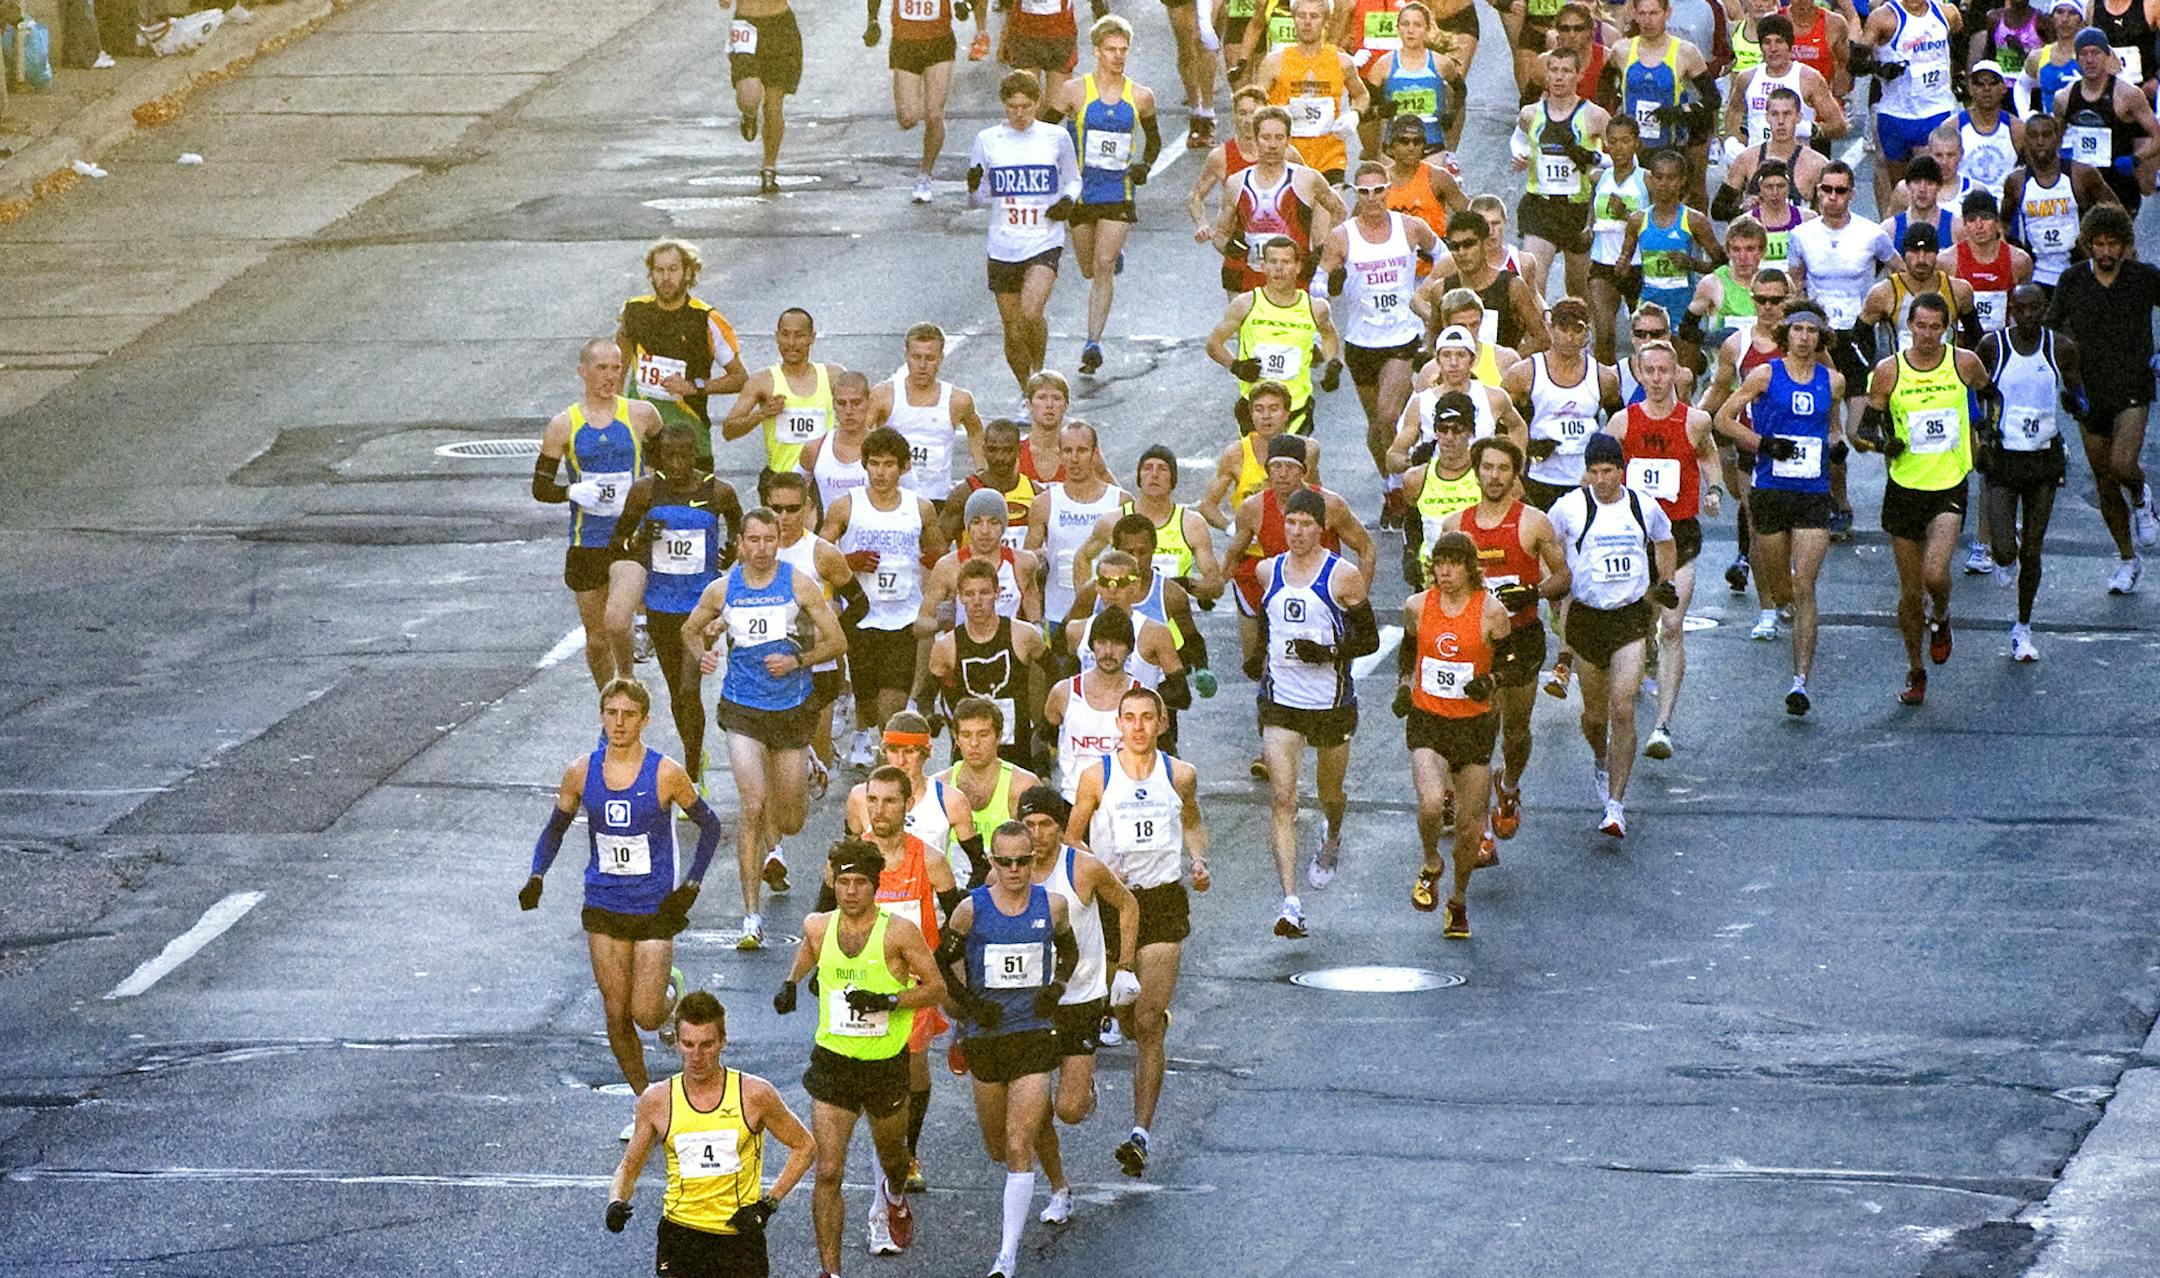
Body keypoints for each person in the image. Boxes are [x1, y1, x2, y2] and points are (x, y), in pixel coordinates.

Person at [521, 679, 727, 1136]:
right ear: (601, 716)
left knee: (647, 1015)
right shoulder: (580, 771)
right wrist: (537, 876)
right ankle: (646, 1106)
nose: (619, 722)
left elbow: (710, 828)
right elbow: (554, 829)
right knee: (615, 1014)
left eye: (628, 714)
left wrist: (690, 886)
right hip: (604, 904)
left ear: (644, 720)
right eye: (611, 713)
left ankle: (670, 993)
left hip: (654, 907)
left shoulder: (666, 773)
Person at [774, 839, 947, 1272]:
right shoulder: (817, 925)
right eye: (843, 882)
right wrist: (792, 983)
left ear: (875, 886)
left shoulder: (898, 933)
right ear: (834, 882)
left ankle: (893, 1195)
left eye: (860, 883)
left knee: (894, 1160)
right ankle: (829, 1270)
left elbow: (936, 988)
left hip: (885, 1066)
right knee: (829, 1170)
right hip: (833, 1064)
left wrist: (888, 1001)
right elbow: (810, 950)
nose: (850, 892)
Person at [682, 508, 849, 950]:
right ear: (740, 542)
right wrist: (703, 654)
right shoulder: (723, 588)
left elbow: (837, 642)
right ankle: (750, 917)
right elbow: (689, 630)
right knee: (752, 806)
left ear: (779, 541)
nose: (760, 549)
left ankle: (801, 765)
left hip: (791, 709)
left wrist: (797, 661)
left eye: (768, 540)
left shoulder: (798, 583)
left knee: (791, 821)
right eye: (752, 540)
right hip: (742, 709)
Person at [1063, 684, 1206, 1180]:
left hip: (1163, 900)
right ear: (1118, 724)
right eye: (1131, 718)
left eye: (1148, 717)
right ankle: (1106, 1056)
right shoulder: (1096, 776)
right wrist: (1097, 875)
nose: (1139, 726)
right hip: (1112, 904)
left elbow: (1191, 820)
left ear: (1161, 723)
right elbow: (1072, 837)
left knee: (1147, 1021)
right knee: (1123, 1011)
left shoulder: (1180, 774)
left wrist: (1200, 859)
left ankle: (1140, 1133)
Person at [936, 822, 1080, 1278]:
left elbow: (1070, 953)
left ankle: (1006, 1257)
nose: (1016, 870)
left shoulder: (1052, 906)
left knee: (1020, 1142)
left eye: (1025, 861)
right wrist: (972, 1004)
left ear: (1035, 862)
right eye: (1006, 862)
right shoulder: (969, 911)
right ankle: (1058, 1182)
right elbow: (943, 961)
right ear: (992, 863)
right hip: (986, 1037)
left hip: (1034, 1034)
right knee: (1000, 1145)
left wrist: (1054, 990)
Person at [606, 991, 816, 1276]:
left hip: (738, 1236)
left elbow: (805, 1146)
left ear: (723, 1041)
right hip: (681, 1234)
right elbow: (629, 1167)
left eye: (707, 1045)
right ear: (676, 1042)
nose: (697, 1056)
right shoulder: (657, 1100)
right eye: (688, 1044)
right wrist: (616, 1201)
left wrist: (768, 1204)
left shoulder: (754, 1094)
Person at [1853, 292, 1996, 705]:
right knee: (1911, 592)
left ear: (1946, 329)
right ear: (1908, 327)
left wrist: (1986, 436)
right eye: (1921, 326)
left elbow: (1991, 398)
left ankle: (1944, 615)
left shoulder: (1964, 362)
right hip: (1904, 487)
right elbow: (1865, 429)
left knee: (1936, 575)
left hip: (1949, 482)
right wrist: (1885, 446)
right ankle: (1915, 669)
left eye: (1936, 327)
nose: (1928, 335)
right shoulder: (1888, 371)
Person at [1251, 488, 1379, 938]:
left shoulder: (1342, 576)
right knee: (1283, 799)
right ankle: (1290, 903)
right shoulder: (1268, 570)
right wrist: (1260, 659)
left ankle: (1332, 836)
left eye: (1306, 523)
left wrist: (1326, 652)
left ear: (1321, 527)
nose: (1297, 531)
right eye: (1290, 523)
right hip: (1281, 703)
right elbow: (1267, 623)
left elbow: (1369, 641)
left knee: (1330, 790)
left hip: (1329, 704)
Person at [838, 756, 968, 1191]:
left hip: (912, 987)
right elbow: (823, 917)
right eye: (871, 800)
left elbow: (959, 918)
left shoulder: (929, 861)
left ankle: (908, 1153)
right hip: (858, 985)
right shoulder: (849, 861)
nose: (878, 810)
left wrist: (943, 958)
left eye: (889, 801)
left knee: (912, 1066)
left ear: (907, 804)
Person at [1217, 437, 1378, 768]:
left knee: (1327, 668)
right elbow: (1233, 552)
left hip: (1325, 602)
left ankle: (1325, 732)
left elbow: (1366, 547)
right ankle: (1273, 747)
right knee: (1263, 662)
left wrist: (1355, 599)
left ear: (1304, 471)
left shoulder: (1328, 505)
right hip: (1277, 598)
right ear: (1267, 470)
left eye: (1290, 467)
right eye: (1276, 466)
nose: (1282, 474)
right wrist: (1214, 584)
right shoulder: (1253, 508)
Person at [1714, 303, 1843, 714]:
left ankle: (1800, 681)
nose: (1804, 337)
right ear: (1786, 334)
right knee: (1780, 586)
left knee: (1804, 586)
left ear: (1822, 337)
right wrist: (1763, 445)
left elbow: (1835, 425)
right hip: (1770, 489)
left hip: (1812, 492)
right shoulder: (1765, 375)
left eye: (1812, 331)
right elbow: (1723, 418)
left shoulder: (1833, 381)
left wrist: (1837, 443)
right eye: (1798, 330)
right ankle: (1779, 595)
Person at [1441, 437, 1570, 845]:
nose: (1493, 476)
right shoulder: (1455, 526)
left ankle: (1509, 785)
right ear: (1475, 471)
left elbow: (1563, 577)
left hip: (1521, 640)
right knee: (1475, 733)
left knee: (1514, 731)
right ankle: (1475, 827)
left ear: (1516, 475)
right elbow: (1438, 586)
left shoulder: (1532, 522)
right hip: (1473, 643)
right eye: (1487, 468)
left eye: (1502, 469)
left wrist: (1533, 593)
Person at [1547, 434, 1676, 836]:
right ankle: (1601, 758)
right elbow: (1545, 547)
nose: (1601, 480)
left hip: (1629, 618)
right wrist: (1555, 590)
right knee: (1594, 715)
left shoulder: (1642, 505)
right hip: (1587, 618)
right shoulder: (1570, 508)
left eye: (1608, 471)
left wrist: (1665, 581)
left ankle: (1616, 806)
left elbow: (1665, 540)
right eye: (1594, 472)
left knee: (1622, 707)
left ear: (1621, 470)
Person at [609, 424, 744, 792]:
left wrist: (730, 552)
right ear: (660, 457)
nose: (678, 463)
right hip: (661, 603)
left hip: (700, 606)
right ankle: (694, 750)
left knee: (689, 689)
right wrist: (638, 540)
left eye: (684, 455)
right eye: (669, 456)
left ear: (695, 454)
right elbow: (618, 542)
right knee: (674, 692)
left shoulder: (718, 491)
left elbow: (739, 526)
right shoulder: (645, 492)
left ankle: (691, 773)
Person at [1394, 531, 1513, 937]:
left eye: (1453, 564)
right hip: (1428, 720)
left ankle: (1458, 900)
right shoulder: (1417, 605)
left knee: (1468, 830)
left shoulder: (1491, 612)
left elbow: (1518, 656)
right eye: (1439, 564)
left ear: (1469, 568)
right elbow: (1409, 648)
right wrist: (1403, 685)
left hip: (1473, 727)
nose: (1444, 572)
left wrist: (1492, 680)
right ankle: (1430, 862)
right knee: (1430, 805)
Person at [1607, 341, 1719, 754]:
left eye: (1663, 371)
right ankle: (1642, 656)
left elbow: (1707, 456)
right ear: (1639, 374)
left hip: (1680, 535)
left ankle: (1663, 725)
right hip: (1633, 538)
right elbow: (1600, 474)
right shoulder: (1621, 424)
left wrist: (1715, 489)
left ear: (1676, 375)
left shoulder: (1695, 421)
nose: (1656, 379)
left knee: (1672, 626)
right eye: (1649, 371)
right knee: (1635, 627)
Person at [535, 340, 664, 690]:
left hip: (630, 537)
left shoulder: (641, 415)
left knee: (618, 621)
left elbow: (668, 461)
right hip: (587, 541)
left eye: (616, 368)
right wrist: (569, 491)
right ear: (583, 372)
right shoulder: (563, 425)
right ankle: (609, 699)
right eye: (601, 369)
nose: (609, 377)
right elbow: (540, 487)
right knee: (596, 639)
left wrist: (651, 491)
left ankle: (627, 683)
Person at [2044, 202, 2160, 591]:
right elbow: (2051, 329)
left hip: (2133, 385)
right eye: (2100, 244)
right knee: (2105, 480)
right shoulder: (2073, 281)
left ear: (2125, 245)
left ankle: (2143, 498)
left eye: (2114, 244)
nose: (2107, 252)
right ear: (2088, 244)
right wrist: (2065, 373)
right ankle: (2127, 559)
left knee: (2123, 464)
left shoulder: (2143, 278)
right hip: (2088, 392)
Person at [1320, 161, 1446, 509]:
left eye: (1379, 191)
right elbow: (1318, 282)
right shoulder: (1342, 235)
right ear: (1356, 195)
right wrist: (1328, 296)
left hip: (1402, 338)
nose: (1373, 198)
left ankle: (1398, 488)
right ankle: (1390, 485)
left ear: (1389, 191)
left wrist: (1429, 292)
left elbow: (1444, 257)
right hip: (1361, 342)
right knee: (1376, 426)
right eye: (1364, 192)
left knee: (1389, 416)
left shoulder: (1410, 227)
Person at [823, 427, 947, 768]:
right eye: (874, 463)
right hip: (861, 616)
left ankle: (886, 765)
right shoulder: (846, 507)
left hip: (903, 617)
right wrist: (849, 561)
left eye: (889, 464)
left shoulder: (919, 508)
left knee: (890, 701)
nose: (880, 472)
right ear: (864, 465)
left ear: (904, 467)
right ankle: (863, 730)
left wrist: (933, 565)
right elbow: (818, 554)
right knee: (867, 699)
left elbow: (938, 552)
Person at [1049, 17, 1161, 376]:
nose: (1118, 56)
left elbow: (1154, 140)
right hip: (1082, 191)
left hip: (1118, 191)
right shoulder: (1073, 91)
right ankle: (1113, 257)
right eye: (1111, 50)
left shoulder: (1140, 96)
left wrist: (1144, 165)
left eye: (1123, 50)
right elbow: (1046, 130)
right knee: (1086, 267)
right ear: (1096, 52)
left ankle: (1092, 343)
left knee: (1102, 265)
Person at [1980, 284, 2085, 659]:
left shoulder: (2061, 347)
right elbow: (1976, 391)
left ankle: (2023, 628)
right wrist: (1983, 431)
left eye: (2034, 309)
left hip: (2044, 456)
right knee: (2005, 550)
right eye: (2020, 309)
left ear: (2044, 310)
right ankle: (2007, 549)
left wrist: (2078, 403)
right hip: (2004, 456)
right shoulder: (1994, 346)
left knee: (2034, 552)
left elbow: (2077, 390)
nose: (2027, 316)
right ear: (2011, 310)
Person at [969, 71, 1083, 395]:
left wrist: (1067, 201)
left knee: (1031, 311)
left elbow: (1074, 179)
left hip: (1044, 239)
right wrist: (974, 185)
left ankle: (1039, 373)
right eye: (1013, 107)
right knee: (1013, 328)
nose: (1020, 114)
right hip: (1003, 243)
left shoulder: (1055, 138)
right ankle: (1025, 391)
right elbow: (978, 199)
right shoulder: (987, 140)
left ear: (1037, 104)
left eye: (1027, 106)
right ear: (1004, 105)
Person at [1700, 268, 1793, 597]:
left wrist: (1834, 433)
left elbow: (1830, 385)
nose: (1768, 307)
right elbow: (1719, 388)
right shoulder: (1736, 344)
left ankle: (1787, 591)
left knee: (1791, 531)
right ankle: (1768, 608)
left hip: (1797, 448)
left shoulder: (1805, 340)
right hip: (1752, 446)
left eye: (1776, 300)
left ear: (1789, 300)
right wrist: (1692, 418)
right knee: (1757, 527)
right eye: (1761, 300)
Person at [769, 471, 859, 805]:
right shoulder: (757, 550)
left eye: (792, 509)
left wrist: (832, 633)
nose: (784, 517)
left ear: (807, 508)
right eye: (776, 508)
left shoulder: (821, 553)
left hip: (818, 669)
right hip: (771, 669)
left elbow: (859, 604)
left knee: (814, 762)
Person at [617, 240, 747, 465]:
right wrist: (617, 414)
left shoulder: (706, 318)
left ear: (688, 272)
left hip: (689, 436)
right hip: (642, 435)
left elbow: (740, 379)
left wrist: (693, 387)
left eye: (673, 269)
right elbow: (618, 366)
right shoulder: (634, 311)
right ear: (651, 274)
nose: (666, 277)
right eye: (659, 270)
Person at [1208, 235, 1343, 438]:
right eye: (1273, 262)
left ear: (1297, 267)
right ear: (1263, 266)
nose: (1279, 268)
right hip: (1255, 409)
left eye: (1286, 262)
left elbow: (1330, 337)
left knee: (1293, 467)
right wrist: (1237, 366)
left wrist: (1333, 365)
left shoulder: (1315, 308)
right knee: (1258, 469)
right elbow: (1214, 344)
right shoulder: (1246, 304)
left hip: (1295, 407)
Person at [1207, 104, 1344, 299]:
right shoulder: (1237, 182)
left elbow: (1338, 211)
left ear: (1288, 141)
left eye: (1279, 138)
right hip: (1252, 281)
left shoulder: (1307, 179)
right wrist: (1233, 250)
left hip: (1296, 284)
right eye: (1265, 138)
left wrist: (1324, 252)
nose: (1272, 145)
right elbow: (1220, 233)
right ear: (1255, 140)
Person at [1504, 296, 1621, 512]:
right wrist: (1523, 457)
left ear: (1587, 331)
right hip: (1539, 477)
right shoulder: (1524, 374)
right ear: (1550, 328)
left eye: (1577, 329)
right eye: (1563, 328)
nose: (1569, 336)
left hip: (1586, 480)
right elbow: (1504, 425)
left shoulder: (1604, 378)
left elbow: (1619, 425)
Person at [1510, 45, 1606, 305]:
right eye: (1553, 70)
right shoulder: (1530, 114)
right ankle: (1541, 338)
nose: (1559, 77)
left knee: (1578, 289)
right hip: (1541, 206)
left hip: (1578, 209)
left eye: (1566, 71)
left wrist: (1593, 160)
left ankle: (1581, 341)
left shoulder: (1595, 116)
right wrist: (1519, 154)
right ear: (1546, 75)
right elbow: (1518, 139)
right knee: (1532, 279)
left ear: (1579, 75)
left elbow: (1621, 158)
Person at [932, 565, 1052, 771]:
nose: (977, 601)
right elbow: (927, 693)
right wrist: (934, 720)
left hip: (1018, 750)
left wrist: (1045, 726)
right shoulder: (946, 645)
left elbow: (1055, 675)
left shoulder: (1024, 635)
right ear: (960, 597)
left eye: (984, 592)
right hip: (969, 751)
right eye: (970, 594)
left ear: (997, 593)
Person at [1073, 448, 1223, 607]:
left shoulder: (1192, 524)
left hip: (1172, 624)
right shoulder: (1114, 520)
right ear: (1139, 477)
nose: (1154, 474)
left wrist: (1185, 584)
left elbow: (1215, 585)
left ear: (1173, 479)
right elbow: (1082, 556)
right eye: (1147, 468)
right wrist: (1087, 605)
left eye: (1163, 469)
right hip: (1125, 624)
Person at [1617, 150, 1723, 371]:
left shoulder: (1694, 220)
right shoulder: (1638, 220)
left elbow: (1722, 264)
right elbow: (1624, 261)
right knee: (1650, 369)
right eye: (1659, 177)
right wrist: (1623, 267)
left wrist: (1692, 264)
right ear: (1651, 180)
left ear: (1682, 181)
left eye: (1671, 177)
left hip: (1684, 306)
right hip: (1649, 304)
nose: (1664, 184)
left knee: (1685, 372)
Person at [718, 308, 841, 489]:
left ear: (811, 338)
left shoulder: (833, 376)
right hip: (779, 480)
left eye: (799, 336)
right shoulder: (762, 381)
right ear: (776, 337)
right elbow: (728, 431)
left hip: (821, 480)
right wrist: (762, 414)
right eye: (785, 335)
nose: (791, 343)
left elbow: (862, 416)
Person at [1857, 0, 1963, 209]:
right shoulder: (1883, 18)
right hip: (1895, 116)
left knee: (1931, 186)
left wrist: (1957, 71)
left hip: (1936, 111)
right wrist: (1879, 68)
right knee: (1902, 189)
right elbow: (1856, 63)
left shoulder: (1947, 13)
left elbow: (1960, 36)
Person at [2001, 111, 2121, 294]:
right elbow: (2004, 224)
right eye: (2034, 136)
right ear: (2026, 141)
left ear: (2058, 138)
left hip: (2081, 272)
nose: (2040, 141)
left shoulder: (2082, 174)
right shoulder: (2016, 182)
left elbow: (2116, 214)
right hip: (2037, 276)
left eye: (2046, 135)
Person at [870, 322, 987, 509]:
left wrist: (981, 472)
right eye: (916, 357)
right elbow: (861, 438)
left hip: (937, 499)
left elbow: (975, 431)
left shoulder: (958, 400)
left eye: (930, 358)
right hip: (892, 496)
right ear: (906, 356)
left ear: (941, 358)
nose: (922, 366)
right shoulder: (884, 395)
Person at [1028, 421, 1130, 627]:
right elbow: (1028, 564)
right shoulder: (1044, 503)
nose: (1074, 459)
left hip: (1110, 615)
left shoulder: (1120, 501)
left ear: (1095, 454)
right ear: (1059, 455)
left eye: (1082, 451)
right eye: (1067, 451)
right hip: (1058, 614)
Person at [1258, 0, 1371, 185]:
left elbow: (1362, 95)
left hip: (1330, 157)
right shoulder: (1274, 62)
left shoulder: (1342, 62)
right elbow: (1256, 104)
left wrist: (1354, 115)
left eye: (1314, 16)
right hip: (1287, 156)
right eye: (1301, 16)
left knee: (1328, 211)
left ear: (1326, 21)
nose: (1307, 22)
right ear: (1293, 20)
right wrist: (1277, 113)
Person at [2052, 25, 2160, 213]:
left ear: (2107, 56)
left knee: (2116, 240)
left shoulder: (2127, 95)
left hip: (2118, 186)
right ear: (2076, 58)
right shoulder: (2064, 98)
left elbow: (2157, 136)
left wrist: (2135, 159)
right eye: (2083, 54)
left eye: (2096, 53)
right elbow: (2054, 140)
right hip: (2082, 186)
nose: (2090, 60)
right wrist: (2061, 163)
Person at [886, 0, 986, 203]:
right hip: (905, 43)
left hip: (938, 42)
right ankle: (919, 96)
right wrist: (872, 20)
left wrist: (966, 5)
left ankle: (925, 174)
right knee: (908, 118)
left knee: (934, 114)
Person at [1420, 209, 1549, 360]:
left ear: (1484, 243)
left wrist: (1509, 363)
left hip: (1500, 378)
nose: (1461, 252)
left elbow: (1542, 339)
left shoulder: (1512, 286)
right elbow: (1432, 341)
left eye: (1469, 244)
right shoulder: (1440, 289)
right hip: (1457, 376)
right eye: (1454, 247)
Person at [1045, 605, 1144, 799]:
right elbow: (1041, 737)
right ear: (1092, 645)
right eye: (1102, 642)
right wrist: (1044, 778)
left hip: (1125, 803)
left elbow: (1162, 752)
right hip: (1073, 801)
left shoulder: (1143, 698)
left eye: (1117, 644)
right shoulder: (1064, 692)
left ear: (1130, 648)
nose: (1108, 651)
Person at [1200, 380, 1324, 533]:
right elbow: (1207, 506)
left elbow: (1318, 499)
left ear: (1287, 414)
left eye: (1273, 409)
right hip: (1253, 548)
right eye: (1259, 410)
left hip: (1294, 544)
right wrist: (1232, 528)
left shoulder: (1307, 449)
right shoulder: (1236, 454)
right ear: (1251, 415)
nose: (1266, 416)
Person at [1722, 17, 1846, 159]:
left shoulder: (1808, 78)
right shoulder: (1747, 78)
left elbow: (1839, 126)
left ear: (1790, 45)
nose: (1773, 49)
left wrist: (1811, 129)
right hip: (1758, 164)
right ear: (1761, 46)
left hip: (1797, 165)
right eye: (1767, 42)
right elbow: (1734, 112)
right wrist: (1731, 142)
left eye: (1779, 42)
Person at [925, 486, 1046, 627]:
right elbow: (921, 623)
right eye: (976, 522)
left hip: (1008, 646)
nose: (985, 531)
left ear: (1004, 526)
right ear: (967, 527)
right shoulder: (948, 566)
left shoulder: (1023, 563)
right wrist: (940, 622)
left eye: (993, 522)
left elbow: (1033, 609)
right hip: (963, 647)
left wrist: (1038, 629)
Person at [1362, 2, 1468, 155]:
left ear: (1427, 30)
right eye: (1405, 24)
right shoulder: (1383, 66)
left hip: (1432, 145)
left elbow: (1461, 91)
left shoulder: (1441, 63)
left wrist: (1451, 114)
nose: (1410, 30)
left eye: (1417, 25)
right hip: (1394, 149)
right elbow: (1365, 105)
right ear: (1397, 29)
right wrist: (1380, 110)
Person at [947, 417, 1042, 549]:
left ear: (1019, 451)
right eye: (993, 450)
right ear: (984, 449)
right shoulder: (964, 494)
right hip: (976, 569)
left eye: (1007, 450)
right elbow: (938, 548)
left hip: (1021, 569)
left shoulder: (1036, 495)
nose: (1000, 458)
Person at [1951, 190, 2033, 336]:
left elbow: (2026, 311)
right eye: (1971, 219)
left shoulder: (2020, 261)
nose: (1979, 225)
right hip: (1962, 346)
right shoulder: (1947, 261)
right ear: (1964, 223)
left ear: (1997, 221)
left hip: (2003, 345)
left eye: (1986, 218)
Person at [800, 371, 873, 520]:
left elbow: (912, 498)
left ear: (869, 402)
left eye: (856, 403)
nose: (849, 411)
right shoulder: (815, 449)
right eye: (841, 403)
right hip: (830, 538)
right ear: (833, 404)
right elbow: (790, 493)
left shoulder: (887, 448)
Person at [1957, 60, 2025, 204]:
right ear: (1970, 89)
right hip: (1963, 205)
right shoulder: (1954, 127)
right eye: (1979, 84)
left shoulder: (2017, 129)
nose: (1986, 89)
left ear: (2003, 87)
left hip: (2004, 206)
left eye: (1992, 83)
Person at [1001, 0, 1079, 100]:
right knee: (1028, 97)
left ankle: (1042, 115)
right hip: (1025, 30)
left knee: (1056, 104)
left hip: (1059, 32)